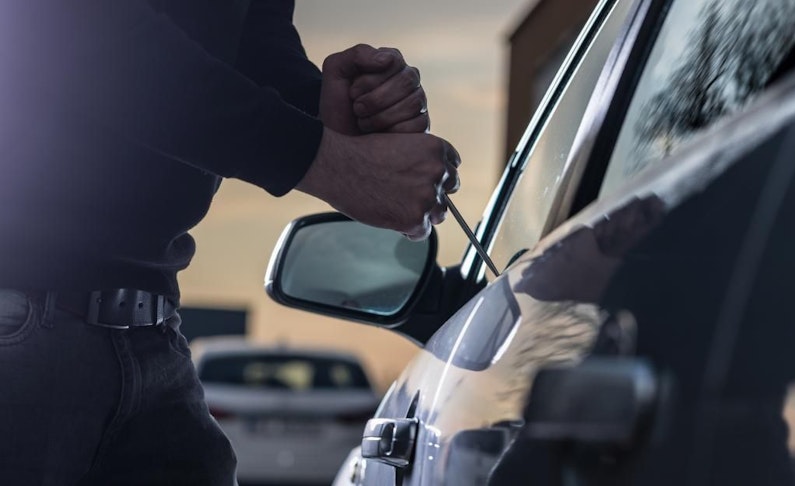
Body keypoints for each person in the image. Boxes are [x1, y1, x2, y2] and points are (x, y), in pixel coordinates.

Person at [0, 1, 459, 484]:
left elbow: (247, 40)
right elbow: (77, 31)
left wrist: (328, 111)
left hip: (150, 331)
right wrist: (333, 163)